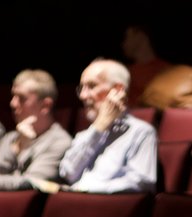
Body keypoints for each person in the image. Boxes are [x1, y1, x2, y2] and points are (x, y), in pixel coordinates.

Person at [57, 59, 158, 193]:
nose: (82, 95)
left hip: (111, 209)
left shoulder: (141, 132)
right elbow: (68, 173)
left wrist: (87, 189)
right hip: (78, 204)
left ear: (117, 90)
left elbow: (141, 182)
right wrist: (99, 127)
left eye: (92, 86)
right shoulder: (87, 133)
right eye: (81, 88)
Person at [0, 71, 73, 191]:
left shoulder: (60, 142)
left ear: (45, 106)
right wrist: (16, 148)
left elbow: (31, 184)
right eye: (13, 96)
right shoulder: (12, 137)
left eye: (22, 98)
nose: (13, 103)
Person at [121, 24, 172, 104]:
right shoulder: (124, 73)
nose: (124, 44)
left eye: (127, 37)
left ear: (140, 35)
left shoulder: (168, 70)